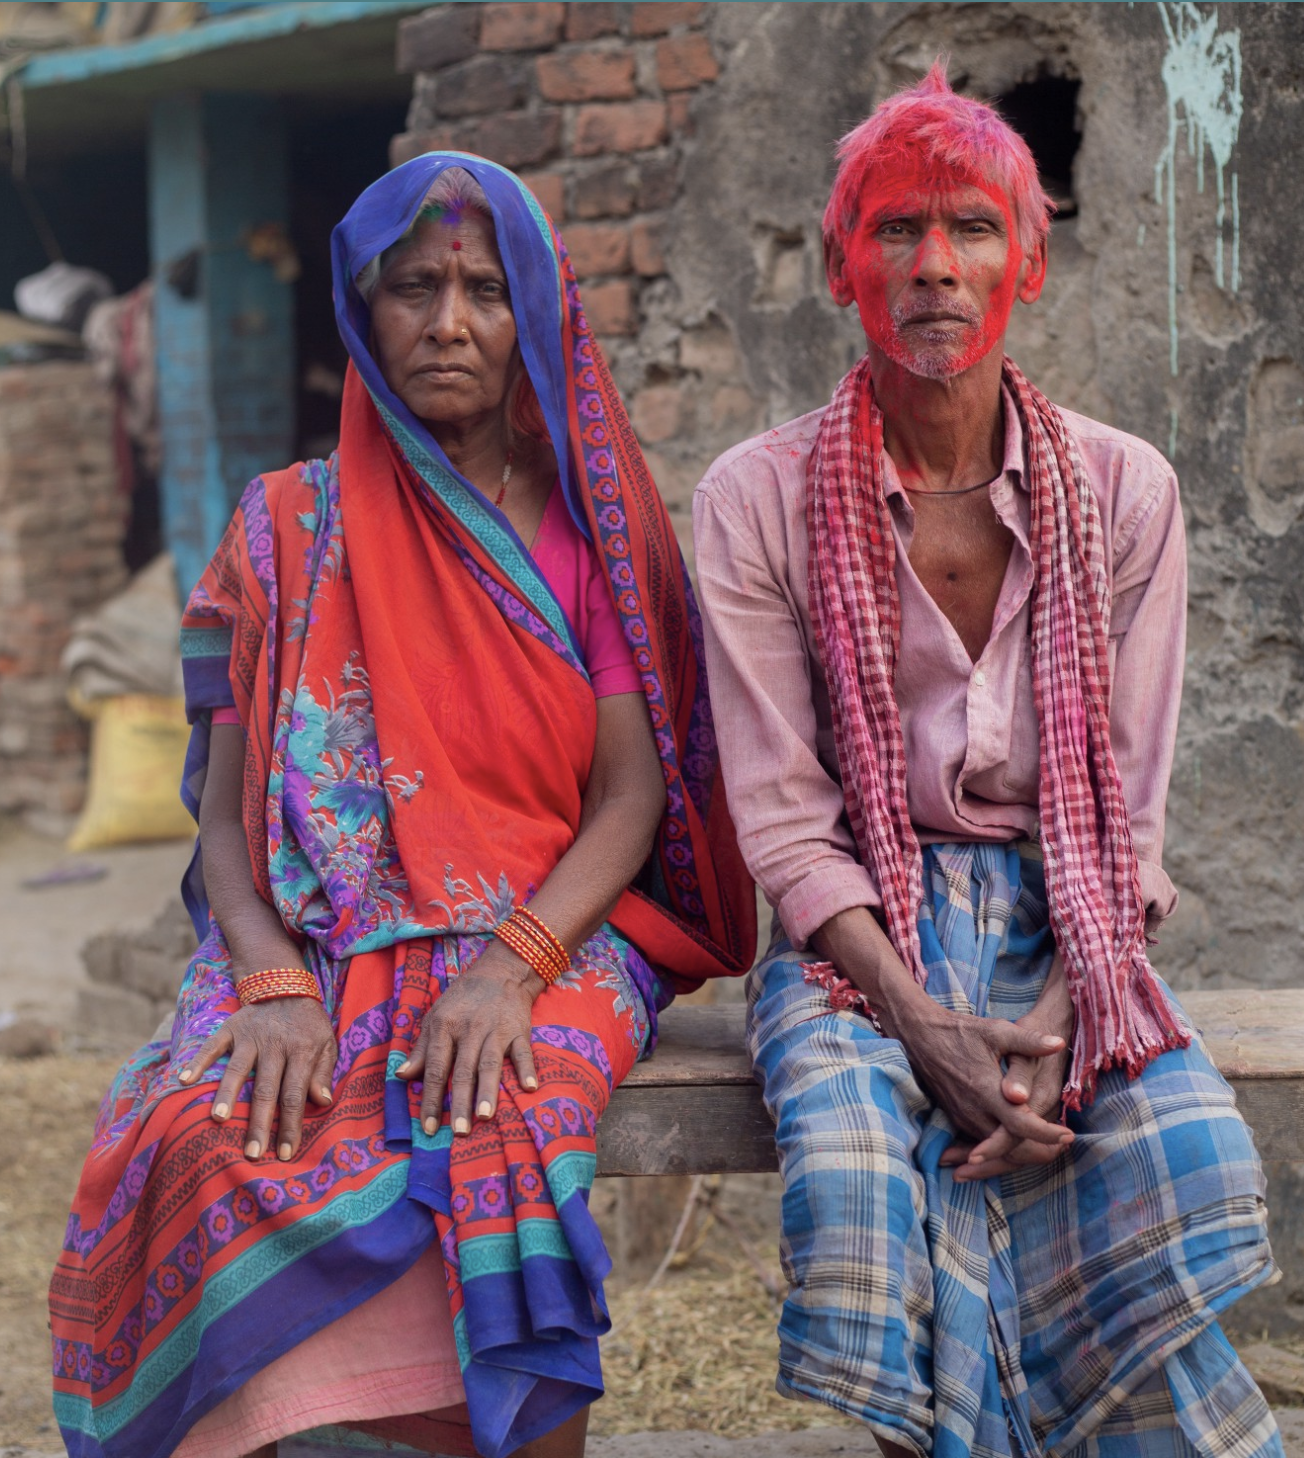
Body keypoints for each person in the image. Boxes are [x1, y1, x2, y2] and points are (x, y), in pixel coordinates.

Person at [51, 155, 754, 1458]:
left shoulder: (588, 539)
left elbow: (631, 794)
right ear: (362, 307)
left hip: (550, 931)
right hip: (318, 938)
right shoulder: (281, 530)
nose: (448, 320)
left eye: (485, 288)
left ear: (530, 313)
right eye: (416, 286)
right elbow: (225, 816)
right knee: (200, 1132)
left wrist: (507, 969)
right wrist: (268, 980)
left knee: (512, 1115)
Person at [693, 63, 1280, 1458]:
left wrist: (1072, 1020)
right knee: (864, 1182)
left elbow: (1126, 812)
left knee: (1181, 1152)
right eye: (896, 230)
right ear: (845, 265)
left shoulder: (1127, 489)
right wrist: (919, 1025)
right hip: (857, 943)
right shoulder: (755, 498)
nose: (935, 266)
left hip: (1064, 921)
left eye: (970, 228)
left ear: (1029, 257)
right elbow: (782, 820)